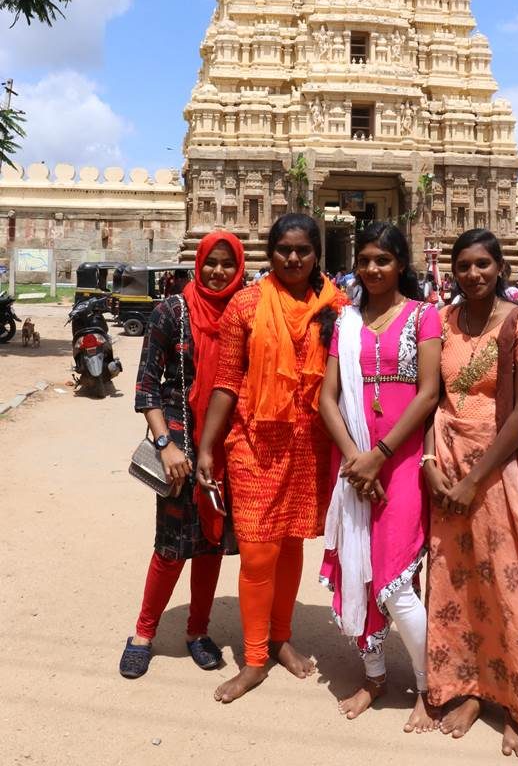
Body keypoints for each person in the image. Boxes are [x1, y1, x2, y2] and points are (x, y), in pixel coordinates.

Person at [423, 229, 518, 755]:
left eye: (483, 264)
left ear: (500, 266)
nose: (473, 274)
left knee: (511, 589)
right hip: (447, 466)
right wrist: (428, 462)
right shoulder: (440, 321)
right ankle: (468, 688)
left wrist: (472, 481)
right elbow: (432, 398)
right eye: (463, 265)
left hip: (497, 471)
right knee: (456, 584)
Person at [197, 213, 346, 703]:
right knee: (259, 550)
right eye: (284, 249)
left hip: (310, 441)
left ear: (316, 254)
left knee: (290, 542)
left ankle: (281, 638)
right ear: (270, 252)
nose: (294, 258)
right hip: (255, 439)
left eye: (303, 249)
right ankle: (255, 658)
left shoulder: (337, 307)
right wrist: (206, 446)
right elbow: (226, 381)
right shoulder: (245, 304)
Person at [319, 223, 442, 732]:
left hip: (404, 462)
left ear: (401, 264)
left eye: (383, 260)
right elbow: (327, 398)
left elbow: (429, 392)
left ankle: (428, 683)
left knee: (395, 584)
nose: (372, 269)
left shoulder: (423, 316)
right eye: (365, 260)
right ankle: (373, 677)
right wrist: (356, 459)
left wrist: (381, 455)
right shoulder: (345, 322)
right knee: (358, 575)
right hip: (354, 467)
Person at [119, 231, 245, 679]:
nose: (218, 271)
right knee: (171, 548)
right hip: (180, 449)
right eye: (212, 260)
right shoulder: (172, 311)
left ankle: (197, 631)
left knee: (211, 545)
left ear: (239, 267)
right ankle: (143, 634)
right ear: (199, 262)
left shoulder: (242, 313)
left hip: (225, 450)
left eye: (228, 263)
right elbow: (147, 386)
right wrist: (164, 444)